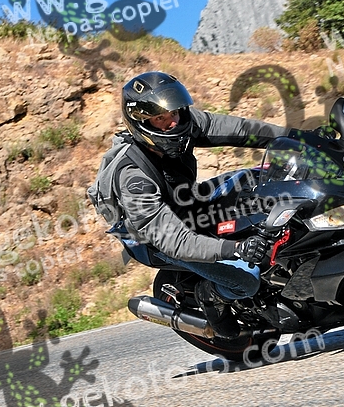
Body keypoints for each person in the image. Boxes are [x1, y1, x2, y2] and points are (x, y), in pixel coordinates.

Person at [116, 71, 289, 338]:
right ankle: (211, 296)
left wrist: (297, 137)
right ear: (141, 123)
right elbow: (175, 241)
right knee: (246, 281)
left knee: (258, 181)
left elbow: (240, 129)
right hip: (157, 238)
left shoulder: (183, 124)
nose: (172, 123)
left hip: (186, 204)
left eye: (174, 113)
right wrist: (236, 248)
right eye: (160, 118)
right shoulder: (133, 177)